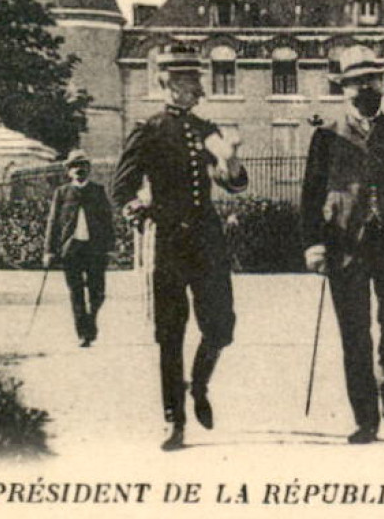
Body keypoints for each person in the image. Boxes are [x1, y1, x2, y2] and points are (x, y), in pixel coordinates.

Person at [111, 51, 247, 451]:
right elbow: (122, 185)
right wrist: (133, 206)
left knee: (221, 327)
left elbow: (234, 184)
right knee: (170, 334)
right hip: (169, 241)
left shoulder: (208, 130)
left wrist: (231, 162)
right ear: (169, 85)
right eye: (192, 85)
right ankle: (174, 419)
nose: (201, 92)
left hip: (207, 240)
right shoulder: (148, 129)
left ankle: (199, 385)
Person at [300, 45, 384, 445]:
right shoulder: (326, 137)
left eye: (373, 80)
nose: (367, 88)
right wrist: (313, 245)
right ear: (344, 88)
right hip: (345, 245)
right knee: (354, 334)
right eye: (358, 82)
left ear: (383, 84)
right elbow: (311, 194)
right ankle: (365, 420)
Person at [43, 150, 115, 348]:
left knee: (97, 292)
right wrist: (49, 250)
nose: (79, 170)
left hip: (95, 249)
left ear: (88, 169)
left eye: (83, 166)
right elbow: (53, 223)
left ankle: (91, 320)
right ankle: (84, 333)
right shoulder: (62, 193)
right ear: (68, 171)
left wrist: (109, 246)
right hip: (71, 250)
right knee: (76, 292)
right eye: (75, 166)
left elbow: (107, 220)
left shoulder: (98, 191)